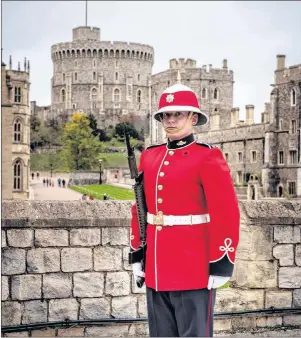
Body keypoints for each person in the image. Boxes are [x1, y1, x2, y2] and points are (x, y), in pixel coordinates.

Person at [129, 81, 240, 337]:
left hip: (194, 266)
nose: (170, 119)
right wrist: (137, 254)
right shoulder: (150, 156)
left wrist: (222, 263)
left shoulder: (207, 156)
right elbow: (140, 208)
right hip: (156, 265)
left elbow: (226, 212)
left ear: (193, 117)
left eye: (177, 113)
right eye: (166, 114)